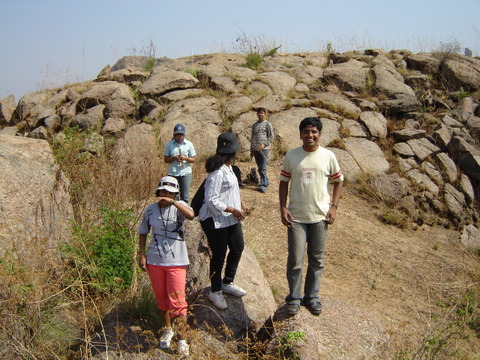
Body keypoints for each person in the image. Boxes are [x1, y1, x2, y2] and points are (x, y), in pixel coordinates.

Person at [278, 117, 344, 316]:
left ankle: (312, 297)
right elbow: (283, 183)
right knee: (296, 260)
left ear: (320, 134)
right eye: (306, 131)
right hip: (296, 217)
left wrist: (333, 207)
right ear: (300, 134)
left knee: (317, 260)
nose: (310, 135)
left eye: (314, 132)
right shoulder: (291, 156)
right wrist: (282, 207)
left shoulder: (328, 156)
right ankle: (294, 298)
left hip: (320, 217)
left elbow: (339, 181)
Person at [138, 176, 194, 355]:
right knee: (162, 300)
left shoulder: (180, 207)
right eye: (163, 191)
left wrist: (174, 202)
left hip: (176, 261)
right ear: (158, 191)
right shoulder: (150, 210)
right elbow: (143, 232)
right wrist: (141, 254)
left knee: (178, 302)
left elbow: (191, 215)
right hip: (155, 260)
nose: (166, 195)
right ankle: (167, 329)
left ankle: (182, 339)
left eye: (170, 192)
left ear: (176, 193)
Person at [198, 132, 249, 310]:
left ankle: (227, 281)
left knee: (237, 247)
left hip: (230, 218)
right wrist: (234, 209)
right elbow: (212, 200)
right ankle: (215, 290)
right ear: (233, 152)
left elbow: (230, 191)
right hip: (214, 219)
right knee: (219, 254)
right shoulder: (217, 172)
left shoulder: (229, 168)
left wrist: (240, 203)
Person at [164, 123, 197, 203]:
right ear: (174, 134)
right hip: (173, 173)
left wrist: (185, 158)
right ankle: (174, 213)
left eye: (181, 134)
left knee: (185, 196)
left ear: (184, 134)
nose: (179, 136)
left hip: (185, 172)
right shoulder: (169, 144)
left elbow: (193, 159)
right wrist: (174, 158)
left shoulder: (189, 144)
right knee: (174, 195)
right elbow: (166, 160)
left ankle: (184, 214)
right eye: (177, 134)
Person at [250, 107, 274, 193]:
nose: (260, 114)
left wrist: (264, 145)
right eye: (259, 113)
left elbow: (271, 137)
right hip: (256, 149)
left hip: (264, 149)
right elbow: (252, 138)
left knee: (263, 167)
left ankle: (263, 185)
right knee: (259, 168)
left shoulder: (268, 124)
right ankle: (265, 181)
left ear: (264, 114)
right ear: (257, 114)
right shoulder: (254, 125)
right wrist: (251, 150)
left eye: (262, 113)